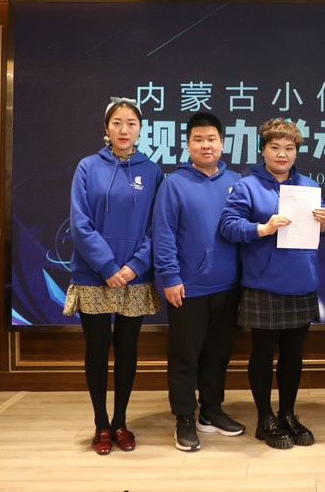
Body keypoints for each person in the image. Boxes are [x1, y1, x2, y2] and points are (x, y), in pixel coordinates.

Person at [218, 118, 325, 450]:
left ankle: (288, 413)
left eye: (289, 148)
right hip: (263, 283)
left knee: (293, 354)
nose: (282, 154)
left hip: (302, 280)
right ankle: (265, 416)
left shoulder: (308, 186)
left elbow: (319, 232)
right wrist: (263, 229)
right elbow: (228, 226)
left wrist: (324, 223)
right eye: (275, 147)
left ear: (296, 152)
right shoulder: (247, 186)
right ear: (263, 149)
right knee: (263, 353)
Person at [63, 97, 163, 455]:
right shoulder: (88, 167)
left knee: (127, 350)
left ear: (140, 129)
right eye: (117, 122)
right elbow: (80, 224)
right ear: (106, 127)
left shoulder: (152, 171)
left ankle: (121, 422)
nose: (124, 129)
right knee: (97, 350)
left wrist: (134, 266)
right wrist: (107, 267)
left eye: (131, 123)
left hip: (134, 276)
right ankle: (101, 425)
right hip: (94, 275)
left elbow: (157, 226)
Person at [152, 112, 244, 453]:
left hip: (229, 286)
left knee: (218, 354)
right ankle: (184, 418)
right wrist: (170, 277)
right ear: (188, 144)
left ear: (222, 142)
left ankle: (211, 411)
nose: (206, 145)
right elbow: (163, 235)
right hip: (187, 287)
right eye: (198, 139)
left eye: (212, 139)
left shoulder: (236, 181)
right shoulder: (174, 184)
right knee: (184, 356)